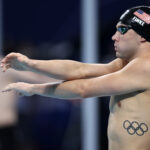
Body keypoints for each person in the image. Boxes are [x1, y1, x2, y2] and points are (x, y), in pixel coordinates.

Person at [1, 5, 150, 150]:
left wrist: (33, 88)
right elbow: (80, 70)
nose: (114, 37)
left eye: (122, 30)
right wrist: (29, 64)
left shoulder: (145, 67)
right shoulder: (126, 63)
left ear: (142, 36)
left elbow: (83, 89)